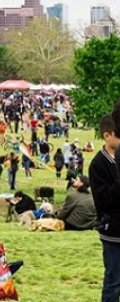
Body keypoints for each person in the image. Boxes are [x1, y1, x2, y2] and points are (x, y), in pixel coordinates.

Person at [90, 113, 120, 301]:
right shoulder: (98, 164)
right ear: (107, 135)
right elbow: (103, 200)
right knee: (113, 282)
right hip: (113, 232)